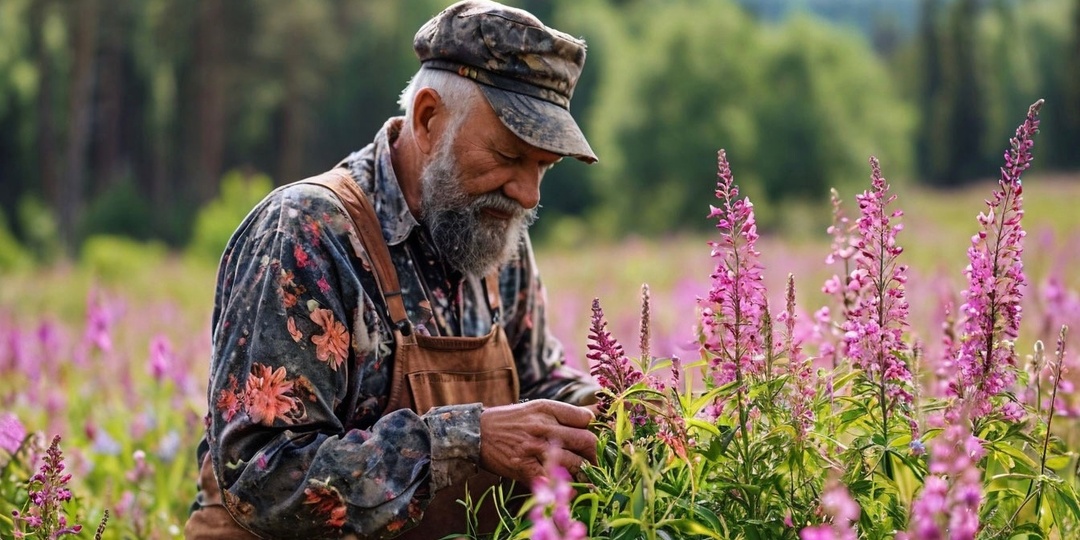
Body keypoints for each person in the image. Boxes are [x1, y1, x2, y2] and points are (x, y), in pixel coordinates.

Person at [183, 1, 602, 538]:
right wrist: (463, 438)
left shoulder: (496, 231)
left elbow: (537, 378)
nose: (528, 193)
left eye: (543, 165)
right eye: (507, 156)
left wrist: (604, 408)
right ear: (428, 119)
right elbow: (259, 476)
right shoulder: (307, 234)